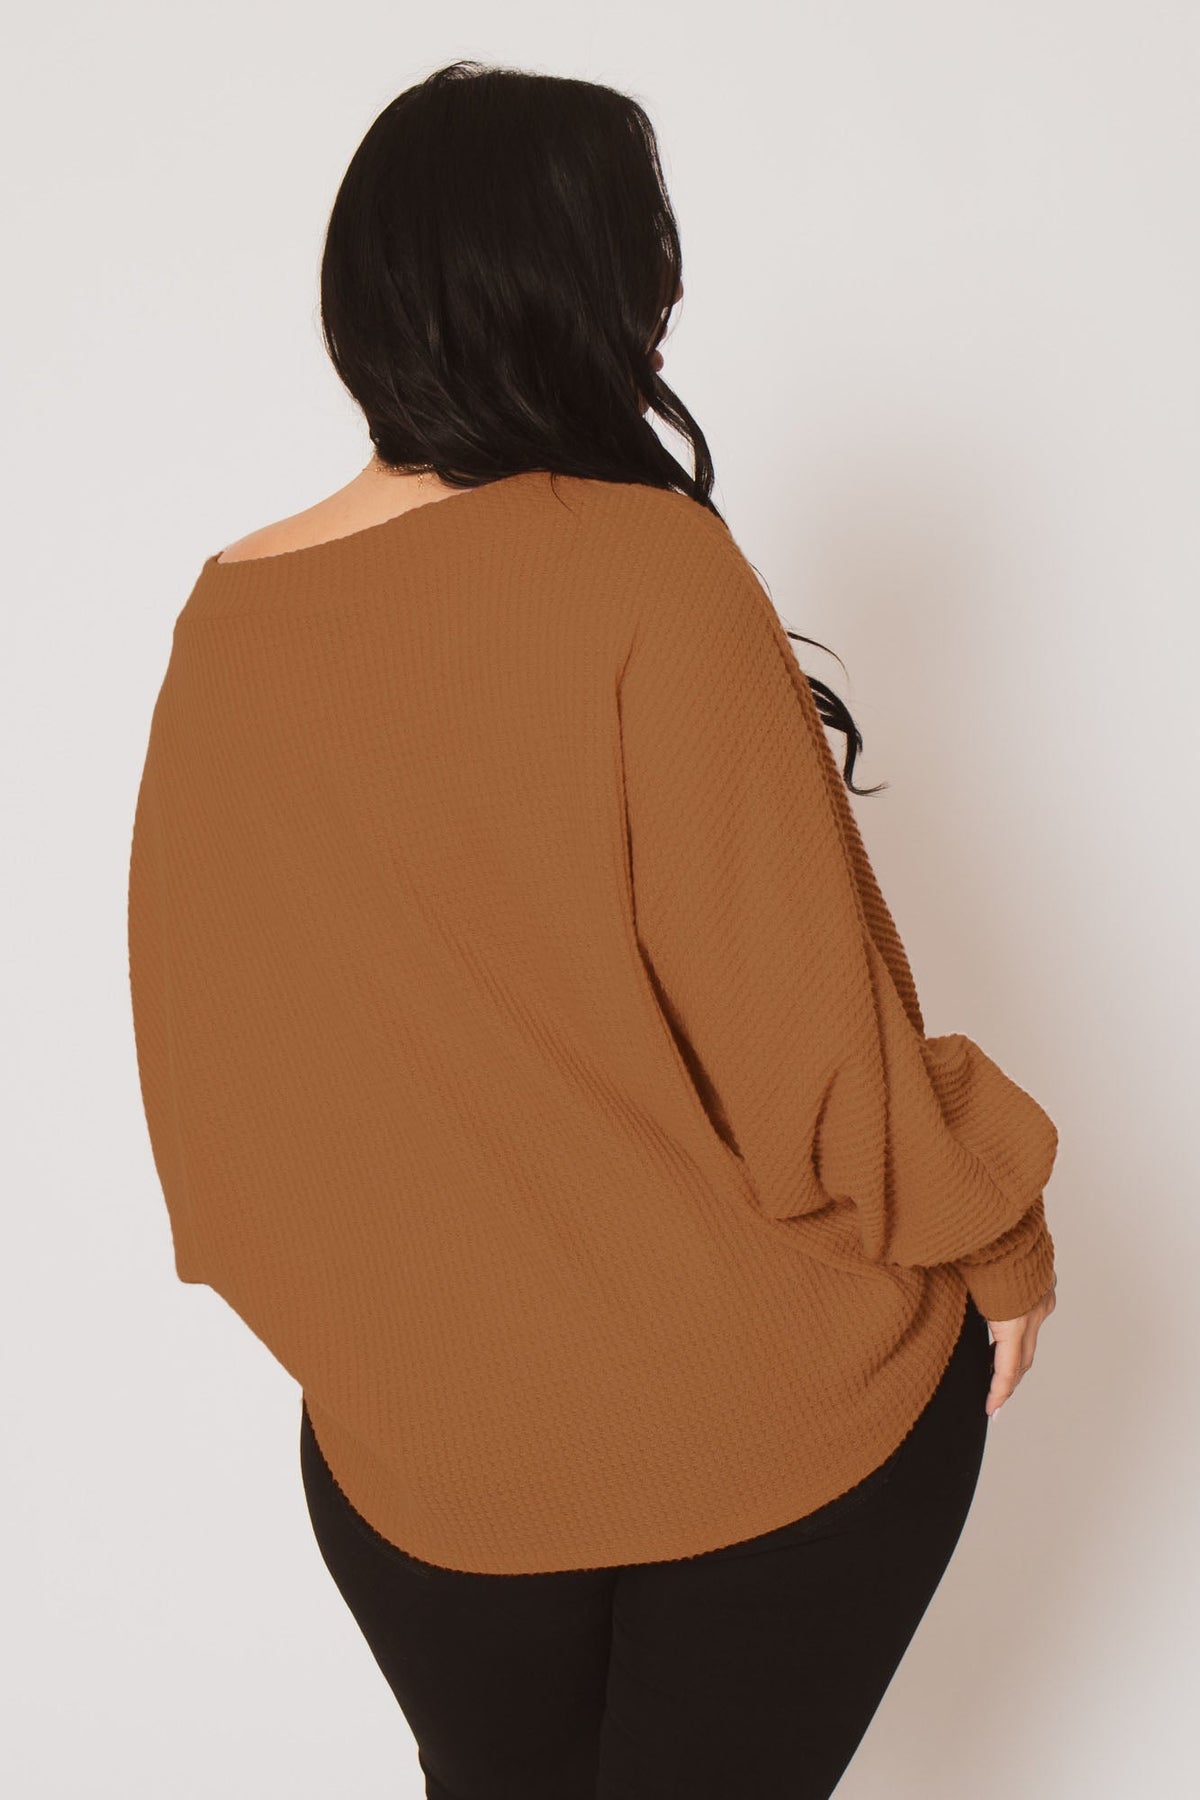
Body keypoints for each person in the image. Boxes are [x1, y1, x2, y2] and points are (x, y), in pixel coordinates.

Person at [126, 59, 1059, 1800]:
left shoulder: (226, 622)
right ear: (586, 290)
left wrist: (394, 1371)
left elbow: (215, 1094)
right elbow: (812, 1055)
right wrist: (995, 1231)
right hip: (767, 1435)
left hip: (421, 1482)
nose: (667, 305)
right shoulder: (649, 572)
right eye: (649, 264)